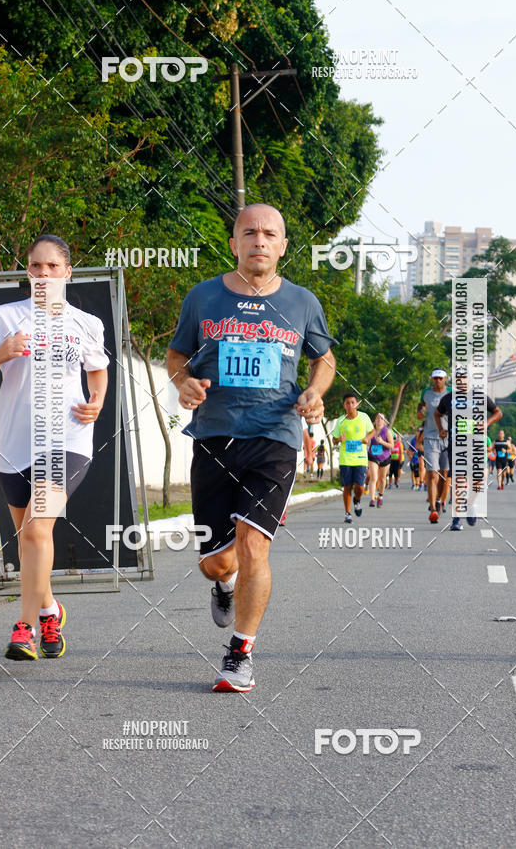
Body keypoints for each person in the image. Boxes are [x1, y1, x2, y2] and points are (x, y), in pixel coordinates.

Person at [166, 203, 336, 692]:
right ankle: (224, 585)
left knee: (254, 545)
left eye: (269, 234)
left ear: (283, 246)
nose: (259, 241)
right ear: (234, 242)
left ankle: (239, 655)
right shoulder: (203, 297)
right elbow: (177, 354)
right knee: (217, 562)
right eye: (249, 233)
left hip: (274, 438)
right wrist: (183, 382)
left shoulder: (303, 302)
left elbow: (323, 359)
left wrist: (314, 392)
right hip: (215, 436)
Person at [0, 235, 109, 660]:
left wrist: (97, 402)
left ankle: (25, 627)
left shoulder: (85, 323)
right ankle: (49, 610)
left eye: (52, 267)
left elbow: (97, 373)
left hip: (66, 439)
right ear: (26, 271)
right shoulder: (3, 317)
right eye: (35, 267)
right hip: (14, 444)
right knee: (28, 540)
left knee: (36, 528)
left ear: (68, 271)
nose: (43, 275)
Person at [434, 370, 501, 531]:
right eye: (458, 380)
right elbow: (437, 413)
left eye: (464, 379)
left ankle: (469, 504)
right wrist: (441, 429)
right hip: (456, 445)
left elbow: (498, 412)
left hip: (476, 444)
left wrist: (486, 423)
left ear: (469, 381)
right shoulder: (448, 398)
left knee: (478, 481)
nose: (461, 382)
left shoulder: (479, 396)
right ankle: (456, 519)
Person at [332, 394, 374, 522]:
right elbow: (334, 440)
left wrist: (367, 438)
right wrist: (339, 439)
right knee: (347, 486)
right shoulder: (340, 420)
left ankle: (357, 500)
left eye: (352, 402)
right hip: (346, 458)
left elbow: (372, 431)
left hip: (360, 457)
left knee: (359, 486)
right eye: (347, 403)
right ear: (344, 405)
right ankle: (347, 513)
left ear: (357, 404)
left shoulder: (364, 417)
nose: (350, 405)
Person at [418, 369, 450, 523]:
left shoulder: (451, 393)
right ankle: (432, 509)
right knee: (432, 474)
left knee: (445, 474)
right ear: (432, 379)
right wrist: (420, 412)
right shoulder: (426, 392)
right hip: (430, 436)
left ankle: (438, 499)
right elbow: (421, 406)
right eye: (435, 378)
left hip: (448, 438)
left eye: (440, 378)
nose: (437, 381)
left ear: (445, 379)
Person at [367, 413, 394, 508]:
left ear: (384, 421)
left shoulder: (387, 432)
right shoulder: (371, 431)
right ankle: (372, 499)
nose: (379, 420)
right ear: (374, 421)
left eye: (381, 418)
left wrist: (382, 442)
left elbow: (392, 446)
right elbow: (366, 441)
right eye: (377, 418)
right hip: (373, 456)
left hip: (385, 457)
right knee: (374, 477)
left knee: (382, 479)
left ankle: (380, 496)